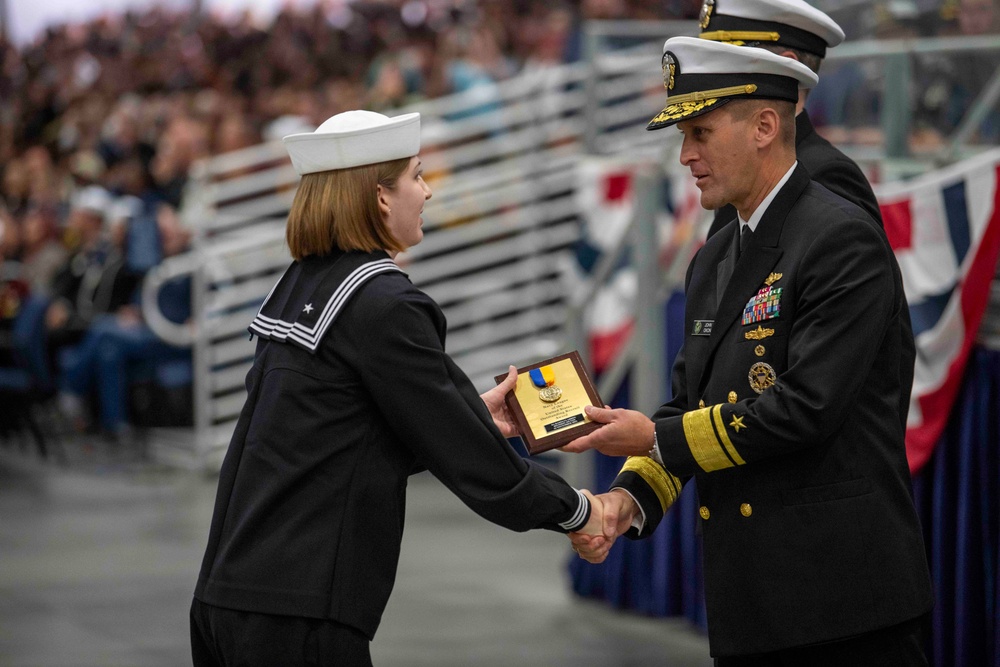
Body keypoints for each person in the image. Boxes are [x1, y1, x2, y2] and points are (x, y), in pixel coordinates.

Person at [190, 110, 606, 666]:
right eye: (416, 175)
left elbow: (324, 440)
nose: (427, 191)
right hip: (299, 611)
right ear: (380, 197)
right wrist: (577, 511)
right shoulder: (384, 303)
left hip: (228, 595)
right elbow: (476, 465)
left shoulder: (303, 283)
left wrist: (463, 416)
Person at [564, 37, 933, 664]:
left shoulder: (841, 239)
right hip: (749, 605)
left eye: (701, 133)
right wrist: (627, 501)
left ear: (765, 125)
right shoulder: (715, 255)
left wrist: (654, 440)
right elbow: (690, 402)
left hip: (842, 608)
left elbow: (803, 409)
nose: (685, 155)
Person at [699, 0, 883, 234]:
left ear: (787, 71)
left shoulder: (826, 175)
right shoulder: (741, 167)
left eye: (730, 65)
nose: (709, 79)